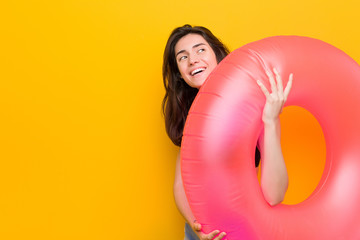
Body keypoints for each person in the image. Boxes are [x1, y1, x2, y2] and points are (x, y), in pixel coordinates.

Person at [162, 24, 292, 240]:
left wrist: (270, 120)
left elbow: (275, 195)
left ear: (217, 55)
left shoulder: (254, 105)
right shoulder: (190, 114)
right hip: (202, 234)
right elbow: (180, 185)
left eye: (200, 49)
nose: (193, 59)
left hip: (245, 231)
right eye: (182, 57)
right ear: (179, 74)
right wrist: (198, 228)